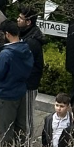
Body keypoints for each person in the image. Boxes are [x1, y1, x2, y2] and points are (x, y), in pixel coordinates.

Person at [0, 18, 35, 147]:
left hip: (7, 94)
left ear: (7, 34)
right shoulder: (26, 48)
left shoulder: (6, 53)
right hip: (21, 91)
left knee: (6, 130)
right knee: (20, 127)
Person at [18, 7, 45, 137]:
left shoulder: (32, 41)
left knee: (27, 114)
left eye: (20, 18)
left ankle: (28, 143)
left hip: (29, 83)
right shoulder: (26, 34)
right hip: (25, 81)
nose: (17, 20)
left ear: (28, 22)